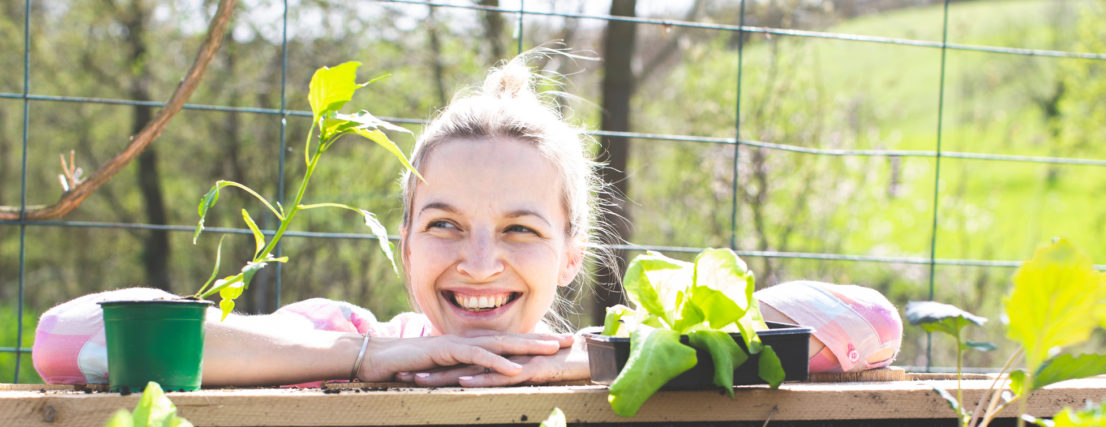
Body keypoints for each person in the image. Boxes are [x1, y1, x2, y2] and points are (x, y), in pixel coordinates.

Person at [31, 51, 901, 389]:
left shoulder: (610, 356)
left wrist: (579, 367)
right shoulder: (339, 337)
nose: (478, 264)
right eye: (444, 224)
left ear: (571, 255)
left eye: (521, 230)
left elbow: (869, 324)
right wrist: (371, 357)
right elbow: (74, 345)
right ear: (403, 240)